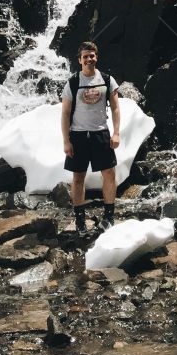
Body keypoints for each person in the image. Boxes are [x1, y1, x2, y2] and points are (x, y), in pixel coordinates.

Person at [61, 41, 120, 233]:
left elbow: (116, 107)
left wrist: (116, 132)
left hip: (100, 133)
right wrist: (66, 140)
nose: (89, 59)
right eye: (85, 56)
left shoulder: (107, 79)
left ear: (97, 57)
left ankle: (109, 217)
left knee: (109, 174)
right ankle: (80, 220)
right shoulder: (72, 82)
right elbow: (65, 113)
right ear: (80, 60)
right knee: (78, 177)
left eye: (92, 55)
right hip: (78, 135)